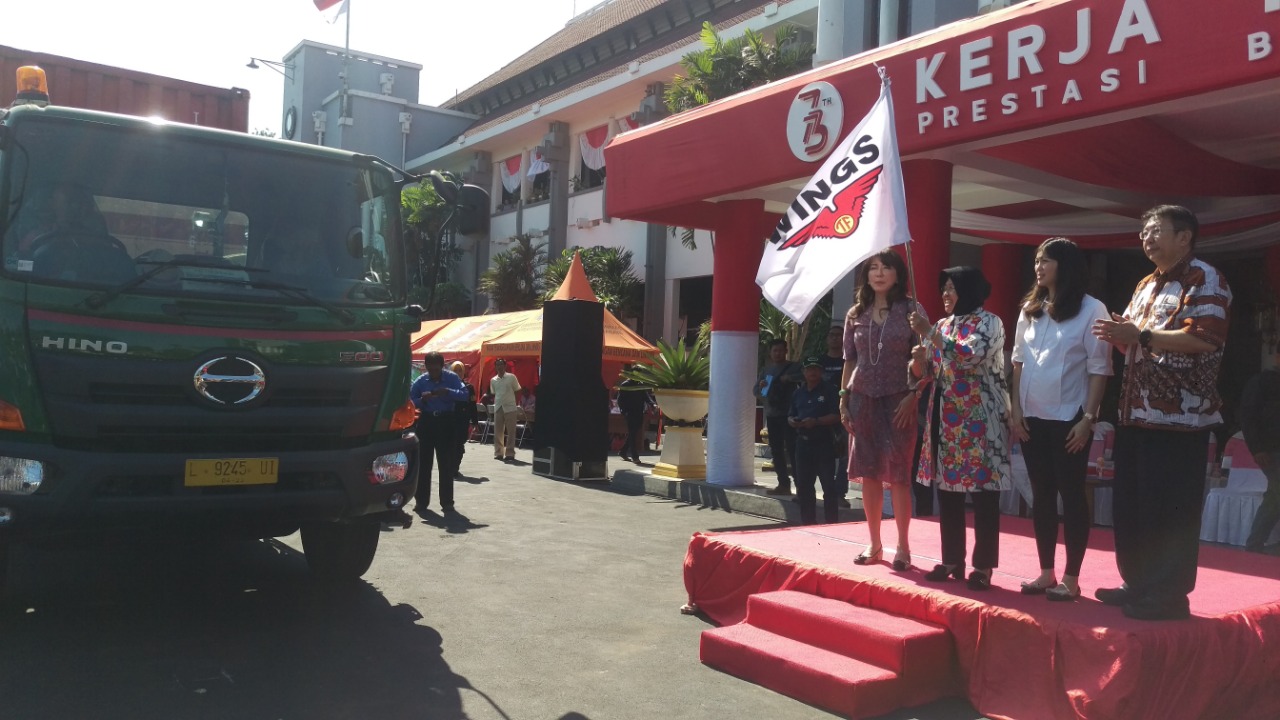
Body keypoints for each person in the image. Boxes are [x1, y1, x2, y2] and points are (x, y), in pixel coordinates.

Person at [1092, 205, 1232, 620]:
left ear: (1185, 236)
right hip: (1136, 413)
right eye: (1143, 233)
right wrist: (1122, 336)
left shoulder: (1206, 278)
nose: (1146, 239)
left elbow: (1206, 339)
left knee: (1170, 509)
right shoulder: (1145, 284)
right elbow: (1138, 343)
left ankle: (1169, 595)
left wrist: (1142, 334)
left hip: (1181, 421)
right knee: (1133, 505)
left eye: (1155, 231)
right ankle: (1137, 583)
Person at [1009, 238, 1113, 601]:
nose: (1038, 266)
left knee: (1071, 495)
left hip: (1070, 418)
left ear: (1065, 266)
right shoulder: (1030, 309)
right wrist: (1016, 411)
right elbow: (1018, 363)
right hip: (1031, 417)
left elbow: (1100, 368)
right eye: (1036, 260)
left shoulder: (1091, 309)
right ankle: (1045, 572)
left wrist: (1089, 418)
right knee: (1041, 495)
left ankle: (1072, 577)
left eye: (1047, 261)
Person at [909, 266, 1011, 591]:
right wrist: (917, 362)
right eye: (944, 289)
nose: (945, 295)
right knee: (948, 491)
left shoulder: (989, 322)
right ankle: (952, 559)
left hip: (980, 417)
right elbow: (926, 371)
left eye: (952, 288)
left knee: (983, 495)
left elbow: (971, 354)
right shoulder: (940, 324)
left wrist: (932, 335)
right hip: (945, 417)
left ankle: (983, 566)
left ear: (968, 291)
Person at [841, 251, 927, 571]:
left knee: (900, 476)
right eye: (873, 268)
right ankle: (875, 543)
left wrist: (914, 394)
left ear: (897, 274)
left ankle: (903, 547)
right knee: (869, 474)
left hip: (899, 401)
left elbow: (927, 362)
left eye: (886, 268)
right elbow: (849, 359)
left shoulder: (912, 310)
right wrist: (843, 398)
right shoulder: (855, 313)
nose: (879, 274)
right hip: (862, 398)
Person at [410, 351, 468, 514]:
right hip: (427, 422)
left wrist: (448, 392)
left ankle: (447, 502)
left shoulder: (452, 378)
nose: (434, 370)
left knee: (446, 464)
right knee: (424, 464)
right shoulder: (421, 381)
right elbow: (411, 401)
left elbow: (465, 395)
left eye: (437, 367)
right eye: (431, 367)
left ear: (442, 366)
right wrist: (422, 400)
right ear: (426, 367)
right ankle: (421, 502)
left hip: (446, 421)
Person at [789, 357, 842, 524]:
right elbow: (791, 413)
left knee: (828, 485)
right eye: (809, 369)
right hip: (803, 443)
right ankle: (808, 523)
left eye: (816, 369)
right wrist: (791, 420)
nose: (812, 372)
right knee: (804, 487)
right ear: (804, 372)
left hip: (823, 443)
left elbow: (837, 415)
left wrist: (817, 421)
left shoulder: (830, 391)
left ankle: (831, 523)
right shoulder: (798, 393)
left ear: (821, 371)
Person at [1241, 358, 1280, 552]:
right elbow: (1248, 416)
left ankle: (1256, 542)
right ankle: (1255, 542)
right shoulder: (1262, 383)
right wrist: (1257, 448)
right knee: (1277, 492)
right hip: (1272, 448)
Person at [756, 339, 803, 495]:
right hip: (772, 414)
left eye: (780, 350)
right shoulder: (766, 371)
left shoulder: (794, 367)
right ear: (770, 352)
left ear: (786, 351)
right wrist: (760, 387)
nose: (778, 353)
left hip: (789, 414)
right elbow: (756, 391)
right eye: (775, 350)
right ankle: (783, 483)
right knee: (776, 451)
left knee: (792, 449)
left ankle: (801, 485)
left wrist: (790, 378)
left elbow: (804, 377)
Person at [819, 324, 852, 509]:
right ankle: (822, 492)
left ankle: (839, 493)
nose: (835, 338)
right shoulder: (820, 362)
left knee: (845, 456)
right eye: (831, 335)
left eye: (839, 335)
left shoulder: (848, 361)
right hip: (822, 417)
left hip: (844, 413)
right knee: (823, 457)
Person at [617, 366, 654, 464]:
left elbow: (646, 396)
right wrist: (623, 411)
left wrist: (652, 403)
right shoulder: (626, 384)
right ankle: (634, 456)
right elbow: (620, 400)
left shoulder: (640, 385)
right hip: (629, 413)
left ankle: (623, 451)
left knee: (633, 433)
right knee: (633, 434)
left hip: (639, 412)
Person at [490, 358, 522, 461]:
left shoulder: (511, 377)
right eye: (497, 365)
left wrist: (514, 403)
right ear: (495, 367)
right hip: (499, 406)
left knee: (511, 431)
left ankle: (510, 453)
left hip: (510, 407)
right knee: (498, 431)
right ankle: (499, 453)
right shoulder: (493, 380)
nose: (499, 367)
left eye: (501, 365)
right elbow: (494, 393)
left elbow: (517, 390)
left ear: (505, 366)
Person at [450, 361, 478, 479]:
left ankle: (455, 467)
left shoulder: (469, 387)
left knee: (459, 444)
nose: (457, 373)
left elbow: (472, 404)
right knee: (450, 445)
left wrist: (475, 421)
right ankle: (450, 467)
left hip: (463, 420)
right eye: (455, 370)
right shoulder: (446, 386)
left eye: (460, 370)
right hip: (449, 420)